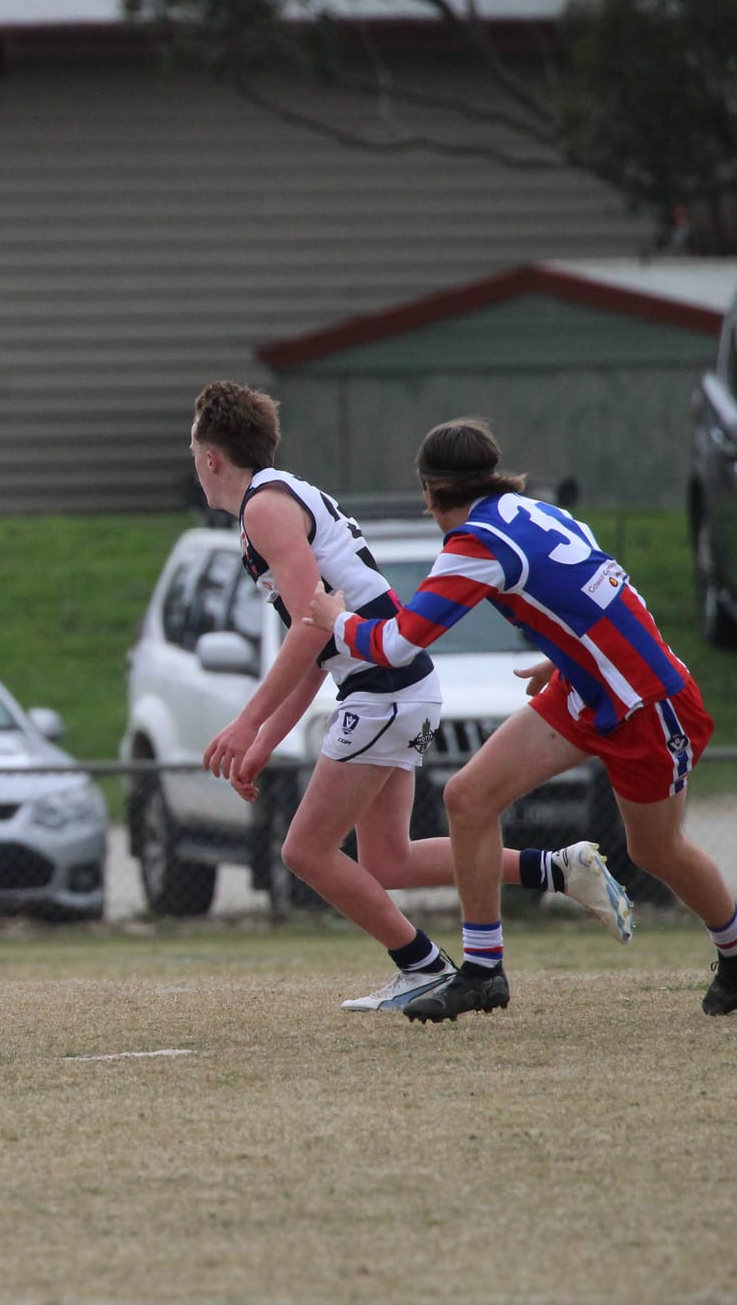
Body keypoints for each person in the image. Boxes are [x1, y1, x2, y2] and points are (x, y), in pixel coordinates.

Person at [191, 383, 633, 1013]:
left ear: (211, 457)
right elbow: (317, 644)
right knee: (388, 861)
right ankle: (558, 870)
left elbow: (313, 628)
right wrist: (263, 741)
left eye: (193, 451)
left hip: (383, 687)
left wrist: (245, 725)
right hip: (393, 685)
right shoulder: (278, 496)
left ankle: (422, 967)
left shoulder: (264, 507)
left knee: (306, 851)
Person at [307, 416, 737, 1021]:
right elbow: (608, 588)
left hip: (646, 703)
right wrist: (567, 656)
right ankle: (484, 971)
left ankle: (735, 953)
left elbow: (399, 644)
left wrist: (337, 621)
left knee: (656, 850)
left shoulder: (475, 544)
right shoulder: (535, 511)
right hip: (586, 686)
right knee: (468, 797)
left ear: (429, 491)